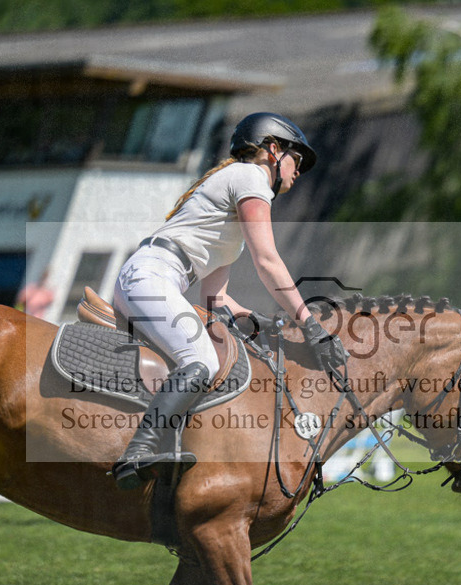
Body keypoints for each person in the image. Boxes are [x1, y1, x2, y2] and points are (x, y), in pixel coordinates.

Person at [110, 112, 346, 489]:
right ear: (273, 150)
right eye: (296, 159)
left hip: (154, 278)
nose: (299, 171)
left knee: (210, 357)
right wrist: (309, 324)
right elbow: (267, 261)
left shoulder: (230, 216)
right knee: (201, 360)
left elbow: (214, 297)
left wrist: (263, 322)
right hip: (150, 276)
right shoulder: (251, 177)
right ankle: (138, 452)